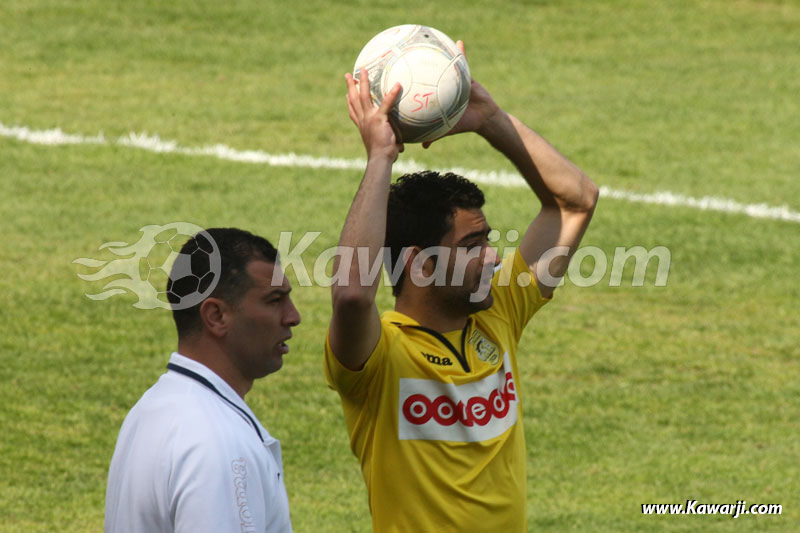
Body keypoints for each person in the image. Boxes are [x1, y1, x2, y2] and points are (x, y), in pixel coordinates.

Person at [324, 42, 599, 532]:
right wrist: (380, 157)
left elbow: (574, 201)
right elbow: (350, 293)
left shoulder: (498, 315)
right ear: (422, 266)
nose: (494, 257)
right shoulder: (379, 357)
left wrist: (491, 119)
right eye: (473, 245)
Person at [105, 228, 301, 533]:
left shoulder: (150, 409)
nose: (293, 316)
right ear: (216, 316)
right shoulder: (219, 443)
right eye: (275, 300)